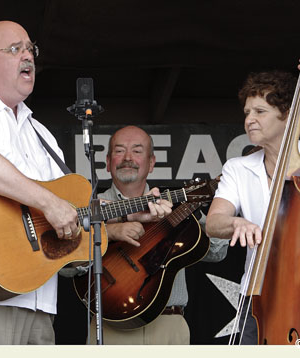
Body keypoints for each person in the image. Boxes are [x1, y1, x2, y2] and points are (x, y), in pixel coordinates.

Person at [0, 21, 171, 345]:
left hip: (38, 298)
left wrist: (123, 212)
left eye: (31, 49)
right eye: (16, 49)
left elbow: (71, 210)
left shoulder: (39, 133)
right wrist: (49, 203)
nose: (28, 56)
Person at [205, 52, 300, 344]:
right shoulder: (239, 167)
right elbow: (214, 223)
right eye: (247, 112)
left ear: (287, 113)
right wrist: (236, 223)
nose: (249, 120)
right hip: (257, 298)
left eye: (259, 112)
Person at [86, 125, 228, 344]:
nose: (127, 158)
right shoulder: (89, 208)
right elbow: (66, 267)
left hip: (168, 326)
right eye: (119, 150)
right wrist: (109, 232)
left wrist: (196, 209)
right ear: (107, 162)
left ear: (151, 163)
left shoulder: (172, 205)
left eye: (137, 150)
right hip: (110, 327)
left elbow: (217, 252)